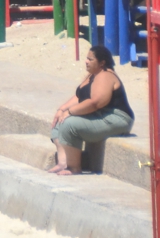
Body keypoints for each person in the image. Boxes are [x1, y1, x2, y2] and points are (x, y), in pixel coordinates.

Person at [49, 44, 134, 176]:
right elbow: (80, 96)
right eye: (86, 58)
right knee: (59, 122)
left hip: (116, 118)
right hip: (100, 115)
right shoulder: (93, 75)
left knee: (69, 124)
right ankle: (62, 163)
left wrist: (71, 112)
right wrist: (62, 109)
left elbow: (96, 102)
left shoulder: (106, 75)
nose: (86, 61)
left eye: (90, 59)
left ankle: (74, 168)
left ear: (102, 63)